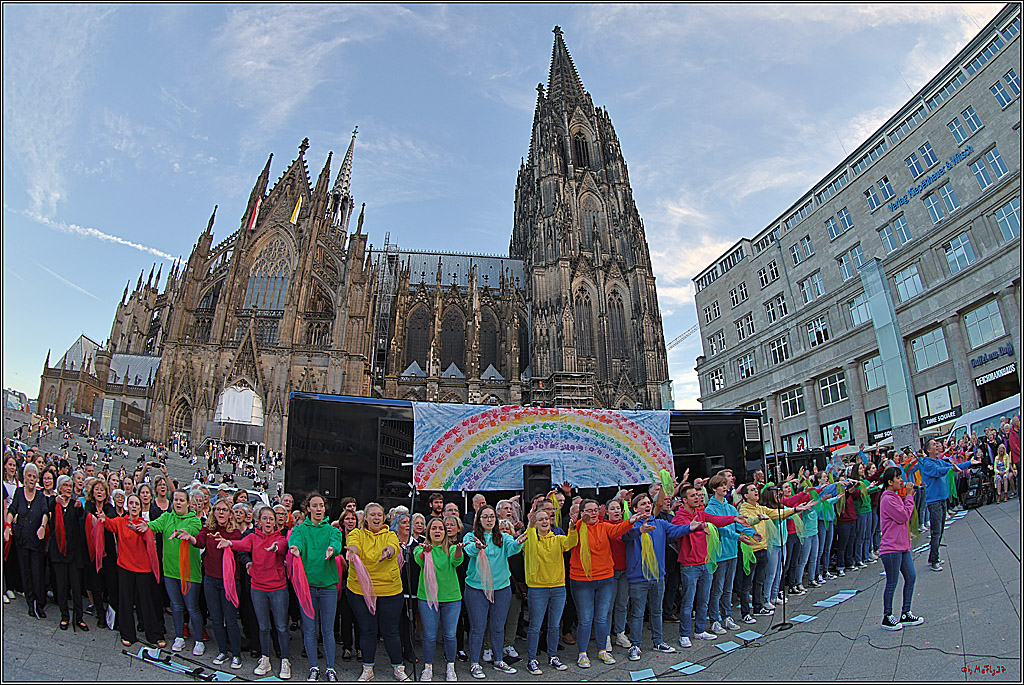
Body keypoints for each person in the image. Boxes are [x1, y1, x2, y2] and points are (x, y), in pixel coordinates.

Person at [621, 487, 699, 660]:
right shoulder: (630, 525)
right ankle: (635, 645)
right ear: (635, 509)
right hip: (638, 577)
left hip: (658, 576)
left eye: (649, 503)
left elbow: (676, 531)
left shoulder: (660, 524)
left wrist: (690, 527)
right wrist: (639, 530)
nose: (647, 506)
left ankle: (658, 641)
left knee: (657, 611)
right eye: (643, 504)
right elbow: (626, 536)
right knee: (638, 613)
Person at [671, 484, 751, 647]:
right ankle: (684, 634)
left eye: (697, 495)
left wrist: (733, 518)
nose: (697, 497)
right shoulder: (679, 517)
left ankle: (700, 630)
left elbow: (715, 520)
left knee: (704, 598)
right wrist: (694, 527)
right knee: (688, 600)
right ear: (684, 500)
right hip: (690, 565)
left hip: (705, 562)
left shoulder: (701, 513)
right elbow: (676, 531)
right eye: (693, 495)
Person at [220, 505, 291, 679]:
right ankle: (265, 658)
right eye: (265, 518)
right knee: (263, 627)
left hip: (278, 588)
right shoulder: (253, 537)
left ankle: (285, 660)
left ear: (275, 522)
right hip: (258, 588)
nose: (268, 521)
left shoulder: (280, 538)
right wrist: (229, 543)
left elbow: (282, 547)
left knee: (281, 627)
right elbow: (241, 545)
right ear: (259, 521)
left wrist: (275, 548)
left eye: (271, 519)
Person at [566, 497, 636, 668]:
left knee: (602, 617)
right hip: (582, 580)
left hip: (605, 578)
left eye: (595, 510)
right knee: (585, 619)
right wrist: (572, 526)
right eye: (588, 511)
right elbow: (569, 543)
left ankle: (602, 650)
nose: (592, 514)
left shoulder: (604, 527)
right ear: (581, 513)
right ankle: (582, 653)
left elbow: (617, 529)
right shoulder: (577, 528)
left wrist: (631, 521)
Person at [345, 502, 407, 682]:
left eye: (379, 515)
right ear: (365, 518)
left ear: (384, 517)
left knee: (391, 631)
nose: (376, 518)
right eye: (372, 515)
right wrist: (352, 552)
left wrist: (387, 552)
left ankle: (398, 668)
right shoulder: (356, 533)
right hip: (360, 590)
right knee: (368, 630)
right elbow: (353, 544)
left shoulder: (390, 535)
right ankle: (368, 669)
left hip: (389, 590)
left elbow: (393, 548)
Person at [462, 504, 526, 678]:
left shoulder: (503, 537)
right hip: (477, 588)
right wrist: (477, 547)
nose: (489, 520)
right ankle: (475, 663)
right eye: (485, 517)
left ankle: (499, 660)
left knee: (498, 627)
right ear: (479, 520)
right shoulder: (471, 535)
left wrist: (518, 543)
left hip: (501, 588)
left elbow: (512, 548)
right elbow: (469, 550)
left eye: (492, 517)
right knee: (478, 628)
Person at [289, 491, 345, 682]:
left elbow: (336, 542)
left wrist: (332, 549)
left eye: (321, 505)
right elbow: (294, 540)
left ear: (325, 507)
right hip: (308, 586)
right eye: (315, 505)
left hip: (328, 586)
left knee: (327, 630)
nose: (318, 509)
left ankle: (330, 668)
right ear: (308, 508)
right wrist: (294, 548)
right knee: (310, 629)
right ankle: (314, 667)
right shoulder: (300, 529)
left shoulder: (332, 530)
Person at [99, 492, 166, 647]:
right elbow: (110, 524)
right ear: (127, 506)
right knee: (126, 601)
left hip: (143, 569)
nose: (134, 506)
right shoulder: (121, 521)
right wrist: (103, 520)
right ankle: (127, 633)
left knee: (146, 602)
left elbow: (148, 538)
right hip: (125, 567)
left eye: (137, 504)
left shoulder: (144, 523)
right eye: (132, 504)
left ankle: (154, 634)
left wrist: (140, 530)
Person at [521, 501, 578, 675]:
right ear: (534, 523)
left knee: (554, 625)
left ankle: (552, 657)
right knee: (535, 626)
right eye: (540, 520)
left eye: (546, 519)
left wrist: (572, 527)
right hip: (538, 588)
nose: (545, 522)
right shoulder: (529, 538)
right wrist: (530, 525)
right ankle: (531, 660)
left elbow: (571, 542)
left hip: (558, 587)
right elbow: (527, 540)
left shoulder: (558, 538)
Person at [187, 497, 245, 669]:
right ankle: (222, 651)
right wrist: (189, 538)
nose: (220, 512)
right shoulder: (208, 529)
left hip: (229, 581)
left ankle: (236, 654)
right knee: (216, 618)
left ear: (230, 513)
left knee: (230, 619)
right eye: (218, 509)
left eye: (224, 510)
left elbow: (237, 544)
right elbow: (199, 541)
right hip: (211, 580)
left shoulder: (234, 531)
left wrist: (225, 541)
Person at [148, 489, 205, 655]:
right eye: (176, 500)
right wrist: (144, 526)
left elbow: (193, 531)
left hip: (189, 573)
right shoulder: (167, 517)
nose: (178, 503)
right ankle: (179, 637)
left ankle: (199, 640)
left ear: (188, 503)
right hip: (170, 571)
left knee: (192, 607)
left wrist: (184, 534)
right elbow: (155, 526)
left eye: (181, 500)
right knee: (176, 606)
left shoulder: (194, 520)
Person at [704, 474, 758, 632]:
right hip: (720, 553)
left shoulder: (731, 507)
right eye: (721, 485)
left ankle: (727, 616)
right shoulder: (710, 509)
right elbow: (720, 529)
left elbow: (741, 523)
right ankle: (715, 619)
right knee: (718, 588)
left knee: (728, 587)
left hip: (732, 552)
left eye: (725, 485)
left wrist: (751, 532)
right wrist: (738, 537)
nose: (724, 487)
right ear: (714, 489)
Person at [414, 517, 467, 681]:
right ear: (428, 532)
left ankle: (450, 667)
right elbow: (419, 560)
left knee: (450, 635)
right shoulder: (420, 548)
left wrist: (458, 549)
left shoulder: (450, 548)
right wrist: (425, 552)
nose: (437, 531)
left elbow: (456, 561)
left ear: (445, 533)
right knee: (429, 636)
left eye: (440, 529)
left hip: (451, 598)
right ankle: (428, 667)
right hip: (427, 597)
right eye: (434, 528)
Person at [878, 467, 924, 630]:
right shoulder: (887, 499)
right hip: (891, 548)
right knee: (892, 582)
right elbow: (904, 516)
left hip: (902, 546)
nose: (901, 480)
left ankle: (906, 612)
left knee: (910, 577)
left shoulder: (895, 496)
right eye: (898, 478)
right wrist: (910, 497)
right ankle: (887, 615)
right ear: (890, 482)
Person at [919, 439, 974, 572]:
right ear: (928, 450)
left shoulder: (937, 460)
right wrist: (951, 467)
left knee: (940, 530)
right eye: (933, 445)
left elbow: (952, 466)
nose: (937, 446)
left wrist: (969, 463)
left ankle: (934, 557)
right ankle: (934, 560)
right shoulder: (928, 464)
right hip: (935, 501)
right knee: (936, 532)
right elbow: (940, 471)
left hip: (942, 499)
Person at [5, 463, 48, 618]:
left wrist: (42, 526)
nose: (31, 479)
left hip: (36, 539)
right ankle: (30, 602)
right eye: (29, 476)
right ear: (24, 477)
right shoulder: (18, 492)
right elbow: (12, 510)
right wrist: (7, 525)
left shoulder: (40, 496)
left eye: (34, 476)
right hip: (22, 538)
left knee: (37, 572)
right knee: (26, 571)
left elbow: (45, 512)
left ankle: (39, 602)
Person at [47, 474, 88, 631]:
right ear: (59, 488)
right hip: (58, 552)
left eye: (69, 486)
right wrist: (55, 500)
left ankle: (79, 618)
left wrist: (79, 507)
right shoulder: (54, 503)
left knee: (76, 587)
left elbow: (80, 514)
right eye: (65, 486)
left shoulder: (74, 504)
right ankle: (64, 616)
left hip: (73, 553)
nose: (68, 488)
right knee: (62, 586)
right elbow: (48, 509)